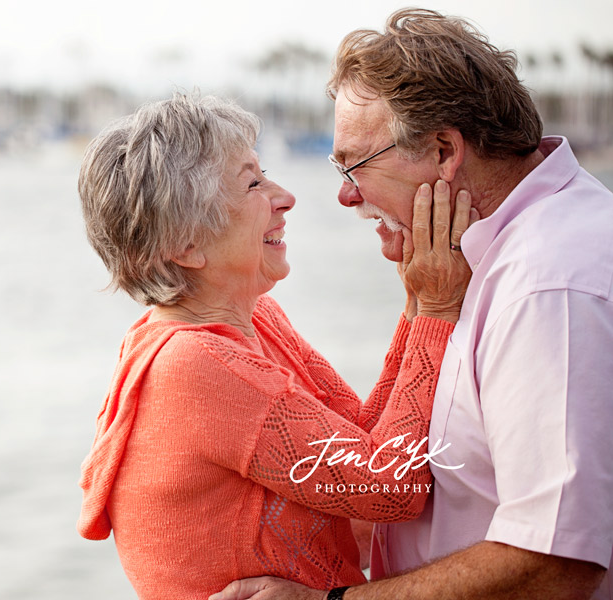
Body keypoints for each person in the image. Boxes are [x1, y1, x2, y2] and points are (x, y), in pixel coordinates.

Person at [212, 8, 613, 600]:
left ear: (445, 151)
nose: (346, 196)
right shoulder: (488, 254)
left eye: (354, 165)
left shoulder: (546, 285)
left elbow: (557, 560)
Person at [76, 92, 473, 599]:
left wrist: (419, 299)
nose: (284, 196)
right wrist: (437, 311)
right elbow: (391, 487)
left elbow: (366, 439)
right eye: (253, 184)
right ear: (186, 245)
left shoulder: (255, 319)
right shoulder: (195, 364)